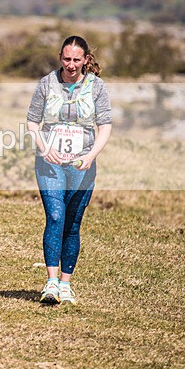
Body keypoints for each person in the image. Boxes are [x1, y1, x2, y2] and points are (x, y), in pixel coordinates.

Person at [26, 35, 112, 305]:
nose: (71, 64)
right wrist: (43, 147)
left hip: (81, 166)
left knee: (72, 225)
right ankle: (50, 284)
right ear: (59, 57)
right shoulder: (46, 84)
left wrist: (91, 155)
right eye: (66, 59)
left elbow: (105, 126)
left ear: (85, 60)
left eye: (77, 59)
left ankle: (65, 284)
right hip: (50, 163)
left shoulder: (97, 87)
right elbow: (31, 123)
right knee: (54, 216)